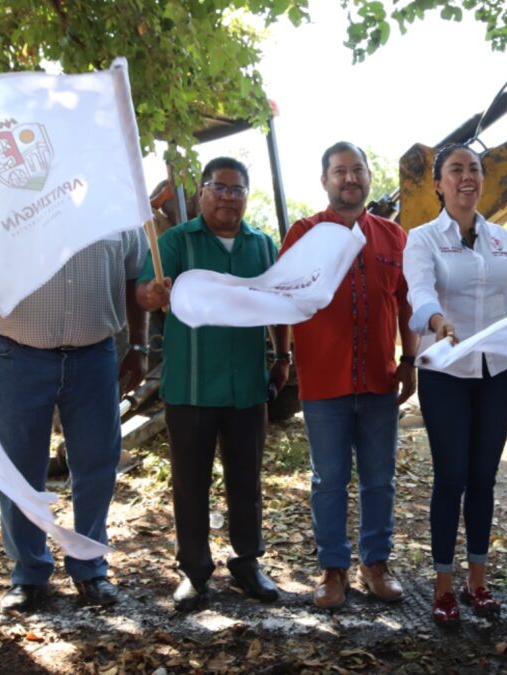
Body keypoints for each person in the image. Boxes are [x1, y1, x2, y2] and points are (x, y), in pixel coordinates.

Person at [0, 191, 148, 614]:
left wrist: (140, 344)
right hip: (18, 355)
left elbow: (134, 278)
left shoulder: (116, 200)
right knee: (18, 470)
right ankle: (30, 574)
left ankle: (90, 568)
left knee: (96, 465)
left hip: (95, 356)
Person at [135, 157, 288, 611]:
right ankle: (195, 572)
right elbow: (146, 292)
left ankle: (246, 564)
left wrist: (283, 356)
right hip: (192, 387)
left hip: (247, 388)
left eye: (237, 189)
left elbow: (278, 304)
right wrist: (154, 294)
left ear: (246, 195)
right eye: (218, 187)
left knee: (247, 480)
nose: (228, 197)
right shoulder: (176, 242)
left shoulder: (262, 245)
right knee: (190, 483)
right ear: (201, 192)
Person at [281, 141, 418, 609]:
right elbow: (281, 297)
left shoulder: (393, 236)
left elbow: (405, 302)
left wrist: (409, 360)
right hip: (323, 382)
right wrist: (283, 358)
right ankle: (333, 569)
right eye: (339, 171)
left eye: (357, 170)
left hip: (380, 380)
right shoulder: (303, 233)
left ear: (367, 178)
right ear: (324, 181)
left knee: (380, 479)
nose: (349, 179)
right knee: (328, 479)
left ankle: (375, 563)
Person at [403, 144, 507, 624]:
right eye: (455, 170)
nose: (466, 178)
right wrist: (436, 321)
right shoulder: (421, 239)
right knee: (451, 477)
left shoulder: (501, 238)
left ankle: (478, 582)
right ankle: (443, 586)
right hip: (446, 373)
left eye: (474, 170)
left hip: (497, 373)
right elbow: (418, 290)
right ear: (438, 183)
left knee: (483, 478)